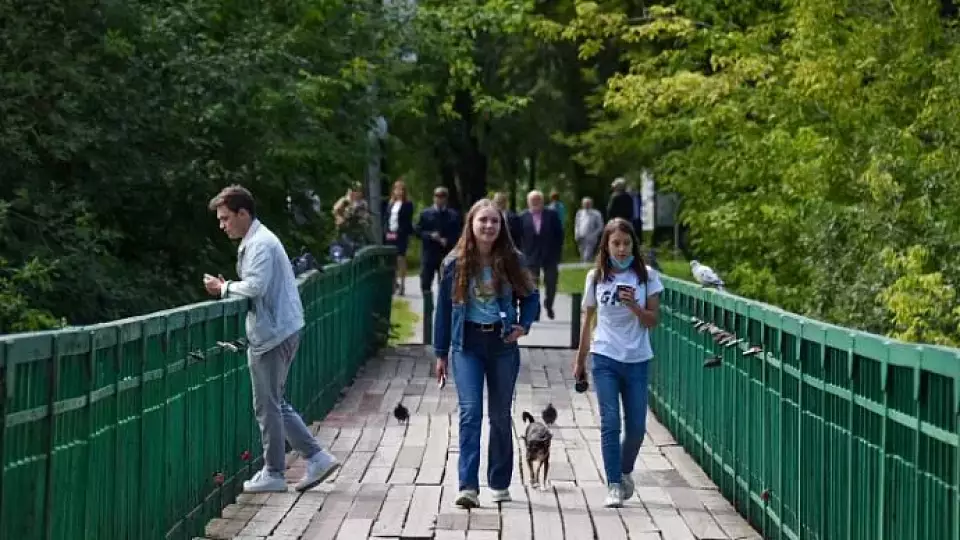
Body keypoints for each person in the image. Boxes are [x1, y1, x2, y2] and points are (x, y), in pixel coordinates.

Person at [204, 185, 340, 493]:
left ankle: (276, 471)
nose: (222, 225)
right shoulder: (258, 240)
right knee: (273, 403)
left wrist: (223, 289)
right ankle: (315, 457)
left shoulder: (261, 244)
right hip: (278, 328)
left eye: (226, 219)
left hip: (274, 333)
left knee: (267, 404)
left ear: (243, 213)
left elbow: (255, 287)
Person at [433, 199, 540, 508]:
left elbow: (531, 297)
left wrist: (524, 325)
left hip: (502, 345)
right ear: (472, 224)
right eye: (483, 221)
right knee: (470, 413)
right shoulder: (455, 263)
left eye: (494, 221)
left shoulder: (511, 260)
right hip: (467, 345)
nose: (489, 226)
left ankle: (499, 482)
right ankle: (467, 486)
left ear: (501, 226)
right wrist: (440, 353)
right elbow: (442, 312)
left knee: (500, 415)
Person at [572, 218, 663, 508]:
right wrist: (580, 360)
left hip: (637, 359)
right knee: (610, 423)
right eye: (616, 243)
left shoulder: (647, 276)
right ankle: (613, 484)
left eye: (626, 243)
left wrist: (634, 306)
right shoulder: (596, 276)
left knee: (636, 426)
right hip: (605, 356)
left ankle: (624, 471)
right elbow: (588, 319)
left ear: (634, 245)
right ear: (607, 246)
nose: (622, 249)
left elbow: (653, 321)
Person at [518, 190, 563, 319]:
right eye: (533, 200)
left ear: (543, 201)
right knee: (532, 285)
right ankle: (535, 311)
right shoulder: (522, 217)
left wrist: (558, 254)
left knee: (551, 282)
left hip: (550, 255)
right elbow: (519, 237)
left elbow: (559, 235)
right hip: (530, 256)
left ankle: (549, 305)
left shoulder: (552, 215)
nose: (536, 203)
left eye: (538, 200)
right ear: (528, 202)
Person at [414, 186, 461, 293]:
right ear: (434, 197)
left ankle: (443, 308)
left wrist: (448, 240)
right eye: (437, 196)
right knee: (425, 283)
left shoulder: (453, 215)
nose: (440, 198)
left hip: (446, 254)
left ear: (446, 198)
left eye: (443, 196)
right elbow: (417, 231)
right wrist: (430, 235)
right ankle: (427, 308)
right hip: (429, 253)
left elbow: (458, 233)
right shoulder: (425, 214)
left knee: (446, 284)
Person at [383, 179, 415, 295]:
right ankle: (393, 284)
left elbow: (407, 222)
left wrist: (402, 232)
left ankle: (402, 285)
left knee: (400, 259)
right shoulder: (391, 203)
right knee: (391, 260)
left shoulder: (408, 204)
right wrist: (386, 231)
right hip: (390, 233)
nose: (399, 192)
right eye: (396, 189)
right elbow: (386, 218)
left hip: (401, 234)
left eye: (401, 189)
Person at [574, 196, 604, 262]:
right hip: (581, 236)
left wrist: (594, 235)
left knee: (587, 255)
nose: (586, 205)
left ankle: (586, 265)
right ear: (582, 204)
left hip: (591, 237)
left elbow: (600, 226)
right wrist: (576, 234)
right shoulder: (579, 213)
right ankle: (585, 268)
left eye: (588, 203)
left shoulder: (596, 213)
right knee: (582, 254)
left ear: (591, 204)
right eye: (585, 203)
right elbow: (577, 224)